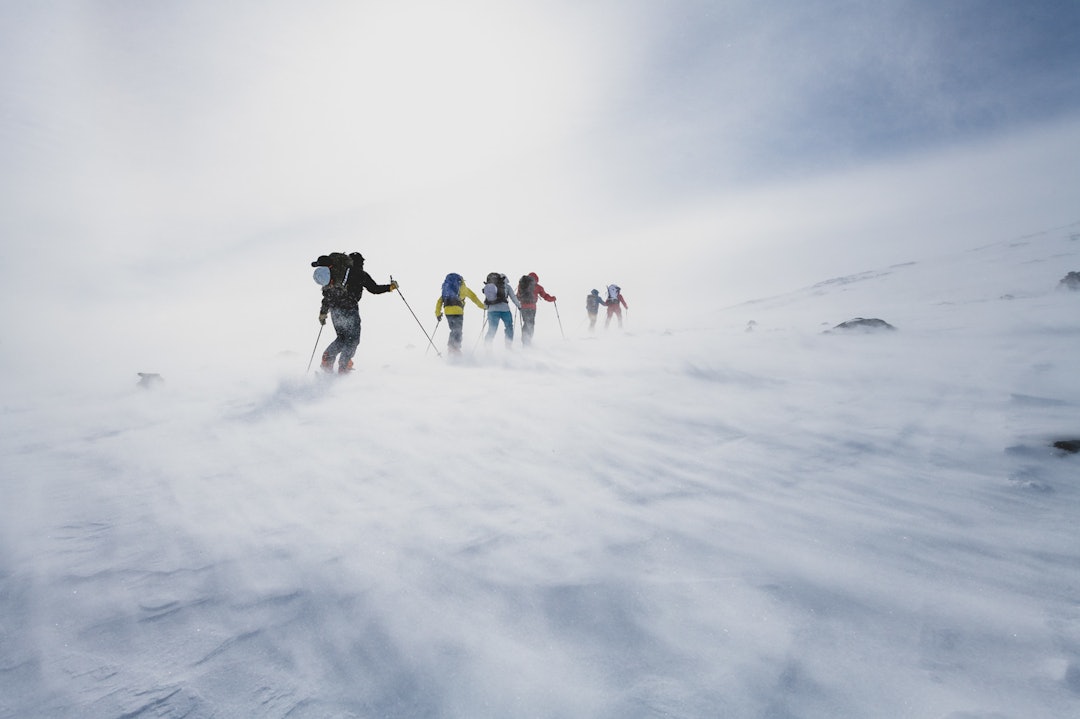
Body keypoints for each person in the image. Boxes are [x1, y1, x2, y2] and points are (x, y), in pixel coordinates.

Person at [312, 252, 397, 373]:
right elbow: (375, 289)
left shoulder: (337, 274)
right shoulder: (360, 274)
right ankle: (344, 364)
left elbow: (328, 295)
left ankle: (327, 359)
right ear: (360, 262)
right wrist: (390, 287)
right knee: (352, 340)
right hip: (350, 310)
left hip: (335, 312)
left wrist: (323, 312)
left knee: (341, 338)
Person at [435, 273, 485, 356]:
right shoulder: (463, 288)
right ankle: (455, 349)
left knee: (453, 330)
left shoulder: (446, 290)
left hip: (447, 311)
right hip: (458, 311)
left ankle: (451, 348)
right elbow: (474, 297)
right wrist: (483, 306)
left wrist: (438, 313)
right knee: (458, 330)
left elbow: (439, 301)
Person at [516, 272, 557, 346]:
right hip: (532, 307)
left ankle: (524, 340)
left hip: (523, 307)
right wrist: (552, 299)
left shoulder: (521, 284)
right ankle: (528, 340)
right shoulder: (537, 286)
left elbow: (518, 296)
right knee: (531, 323)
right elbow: (545, 296)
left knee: (526, 322)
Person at [482, 272, 521, 348]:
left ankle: (487, 347)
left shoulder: (491, 286)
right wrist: (519, 306)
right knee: (509, 327)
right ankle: (508, 346)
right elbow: (513, 297)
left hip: (492, 311)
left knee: (492, 329)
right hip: (505, 310)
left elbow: (487, 298)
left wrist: (486, 307)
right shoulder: (507, 286)